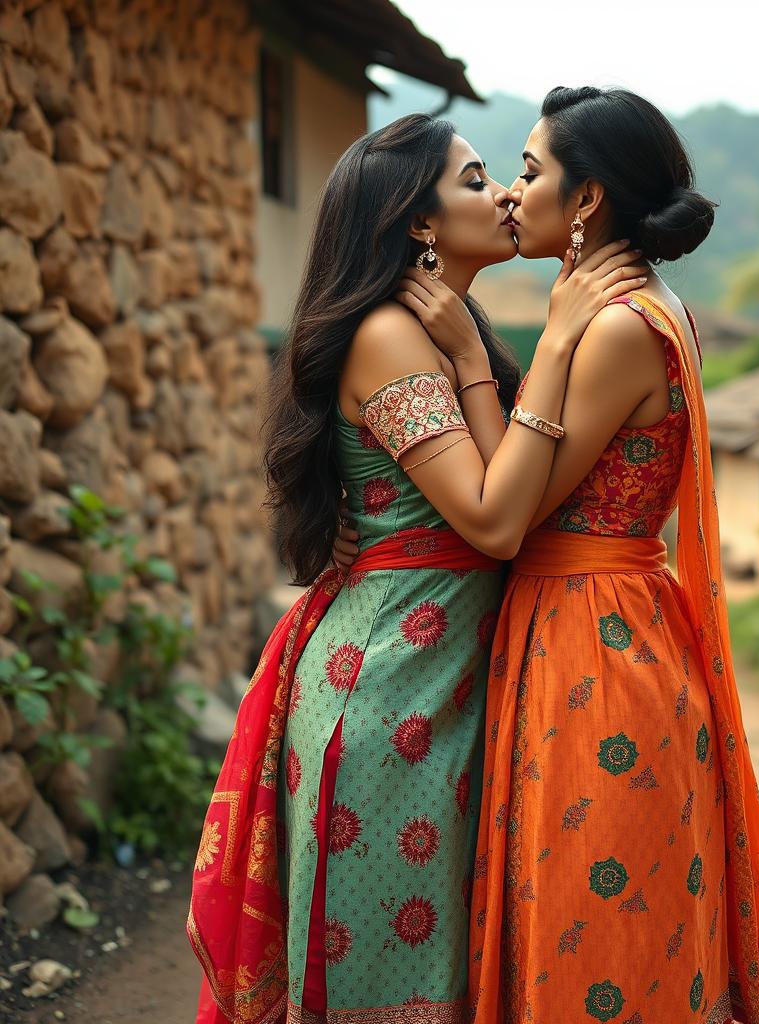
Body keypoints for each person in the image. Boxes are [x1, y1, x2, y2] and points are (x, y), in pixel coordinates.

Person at [186, 112, 646, 1023]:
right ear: (419, 223)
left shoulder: (449, 331)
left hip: (446, 682)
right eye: (476, 180)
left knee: (448, 973)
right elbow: (493, 519)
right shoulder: (393, 336)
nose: (506, 193)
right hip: (391, 697)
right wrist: (546, 345)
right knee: (391, 988)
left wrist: (485, 354)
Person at [400, 86, 759, 1024]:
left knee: (591, 918)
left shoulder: (615, 326)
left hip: (595, 642)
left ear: (586, 203)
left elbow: (512, 501)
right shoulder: (655, 307)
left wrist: (465, 351)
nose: (512, 193)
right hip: (605, 626)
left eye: (530, 171)